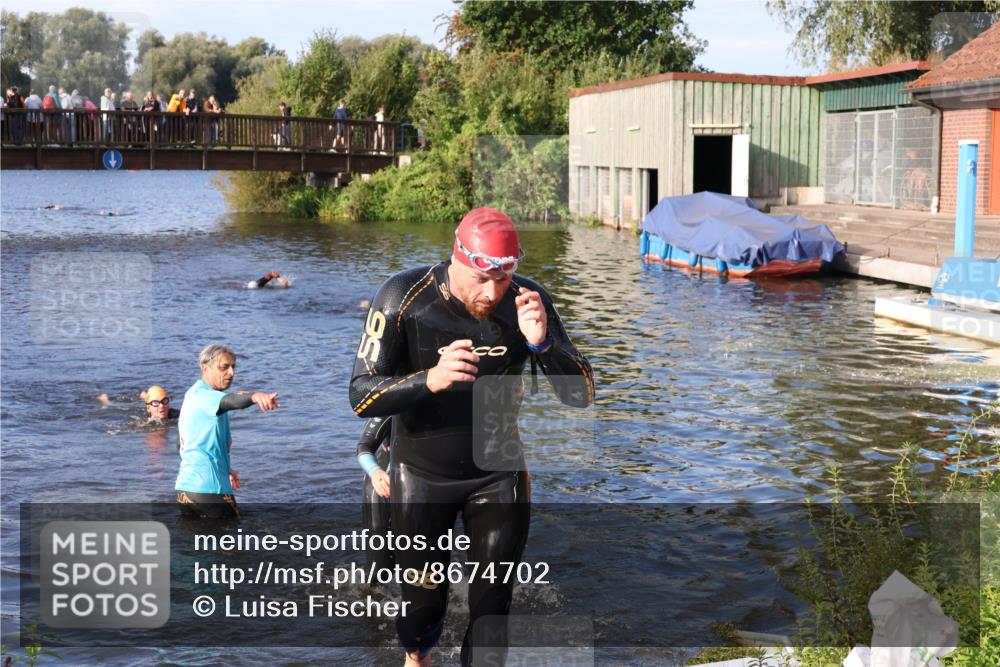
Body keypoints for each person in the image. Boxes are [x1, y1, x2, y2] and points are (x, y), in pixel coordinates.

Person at [348, 207, 594, 667]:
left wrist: (541, 344)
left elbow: (581, 395)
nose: (491, 293)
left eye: (502, 280)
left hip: (498, 471)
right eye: (480, 279)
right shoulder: (404, 296)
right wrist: (430, 379)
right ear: (456, 258)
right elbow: (360, 395)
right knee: (422, 608)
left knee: (491, 612)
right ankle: (417, 658)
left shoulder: (528, 299)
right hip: (421, 474)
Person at [176, 344, 280, 520]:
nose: (231, 373)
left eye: (233, 366)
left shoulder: (192, 395)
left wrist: (223, 467)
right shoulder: (206, 397)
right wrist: (255, 397)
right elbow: (231, 401)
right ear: (204, 367)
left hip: (185, 490)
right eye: (224, 367)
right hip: (212, 492)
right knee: (232, 544)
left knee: (199, 545)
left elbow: (184, 443)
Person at [357, 416, 393, 574]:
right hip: (382, 485)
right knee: (379, 569)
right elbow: (363, 446)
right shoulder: (398, 399)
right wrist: (374, 471)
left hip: (424, 489)